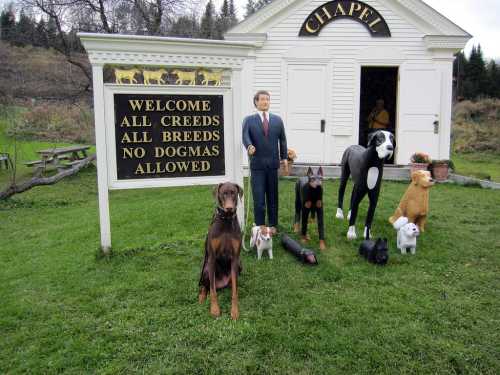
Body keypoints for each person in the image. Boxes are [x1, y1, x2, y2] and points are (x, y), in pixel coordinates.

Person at [242, 90, 288, 235]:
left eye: (267, 99)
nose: (265, 102)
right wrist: (249, 146)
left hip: (272, 165)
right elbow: (245, 136)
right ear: (256, 102)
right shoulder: (249, 120)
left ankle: (273, 225)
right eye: (262, 99)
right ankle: (260, 225)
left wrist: (284, 158)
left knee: (273, 197)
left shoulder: (277, 120)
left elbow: (283, 140)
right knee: (259, 197)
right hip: (257, 165)